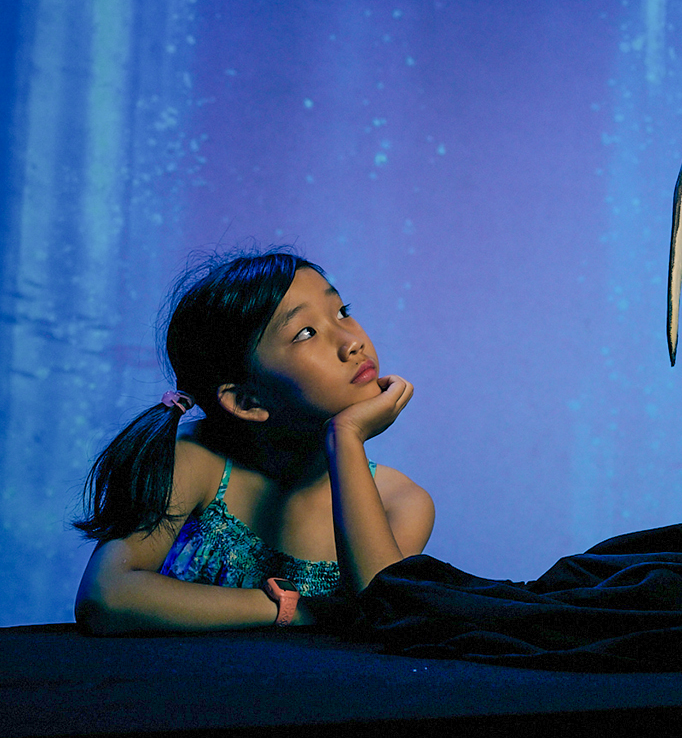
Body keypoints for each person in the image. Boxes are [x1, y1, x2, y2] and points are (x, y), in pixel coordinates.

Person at [74, 250, 434, 633]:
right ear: (246, 401)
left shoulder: (402, 503)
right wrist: (293, 609)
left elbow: (382, 616)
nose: (352, 343)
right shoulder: (198, 461)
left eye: (342, 311)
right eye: (306, 333)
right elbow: (105, 596)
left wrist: (346, 439)